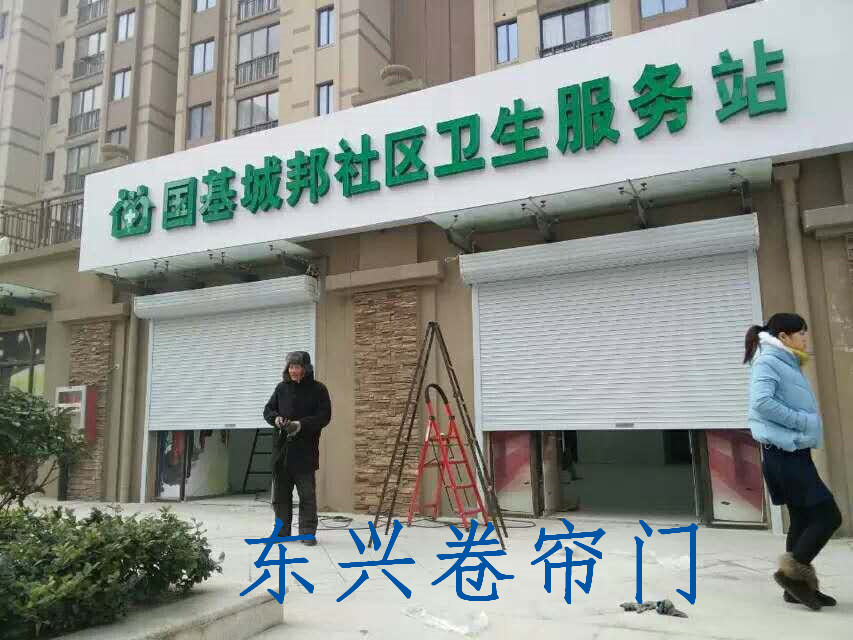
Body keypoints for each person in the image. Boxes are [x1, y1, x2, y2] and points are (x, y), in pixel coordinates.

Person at [744, 313, 842, 610]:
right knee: (828, 516)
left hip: (792, 452)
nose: (805, 338)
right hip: (783, 454)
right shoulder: (768, 362)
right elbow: (761, 403)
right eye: (801, 333)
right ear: (783, 336)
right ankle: (792, 578)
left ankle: (796, 589)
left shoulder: (786, 360)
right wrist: (801, 421)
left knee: (802, 517)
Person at [263, 351, 331, 546]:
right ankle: (281, 532)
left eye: (297, 367)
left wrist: (300, 425)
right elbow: (268, 410)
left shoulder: (319, 390)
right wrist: (276, 419)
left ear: (306, 368)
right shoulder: (281, 388)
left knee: (306, 496)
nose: (293, 370)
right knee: (280, 497)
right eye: (291, 367)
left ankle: (307, 534)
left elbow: (324, 416)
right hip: (282, 451)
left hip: (305, 452)